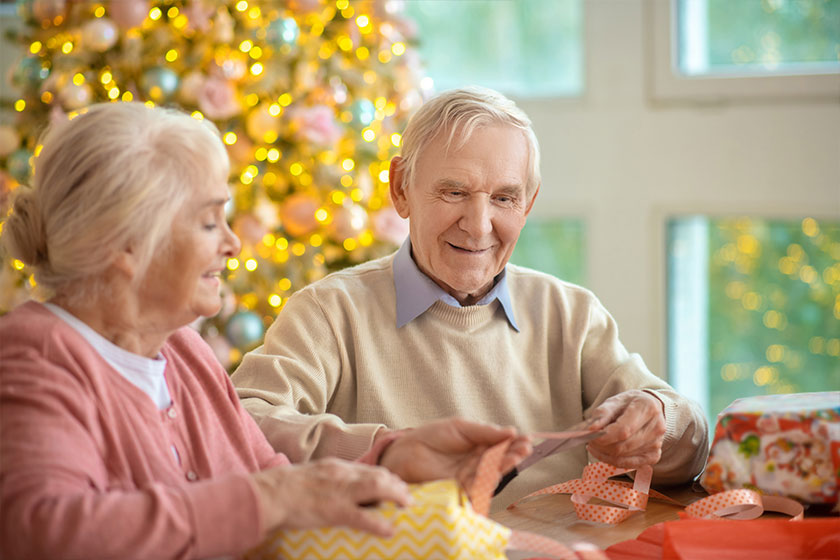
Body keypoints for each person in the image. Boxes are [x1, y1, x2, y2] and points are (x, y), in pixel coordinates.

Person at [0, 101, 530, 560]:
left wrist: (393, 457)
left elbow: (273, 477)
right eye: (209, 222)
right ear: (125, 242)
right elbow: (44, 531)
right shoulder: (37, 356)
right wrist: (271, 499)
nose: (232, 244)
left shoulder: (182, 351)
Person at [232, 86, 710, 508]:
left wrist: (657, 421)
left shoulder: (571, 314)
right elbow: (239, 424)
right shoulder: (329, 312)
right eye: (454, 192)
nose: (479, 225)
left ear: (529, 202)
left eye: (504, 198)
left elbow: (690, 451)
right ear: (401, 189)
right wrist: (386, 452)